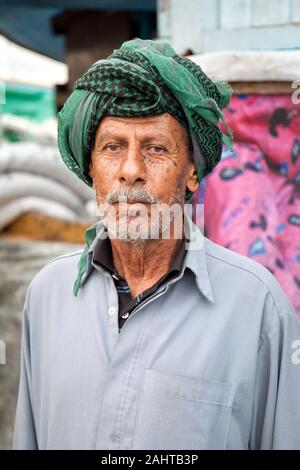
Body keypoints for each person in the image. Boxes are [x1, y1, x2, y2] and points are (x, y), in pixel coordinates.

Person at [13, 38, 300, 450]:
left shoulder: (258, 308)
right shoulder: (47, 296)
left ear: (191, 174)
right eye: (112, 148)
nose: (131, 171)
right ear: (92, 168)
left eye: (156, 149)